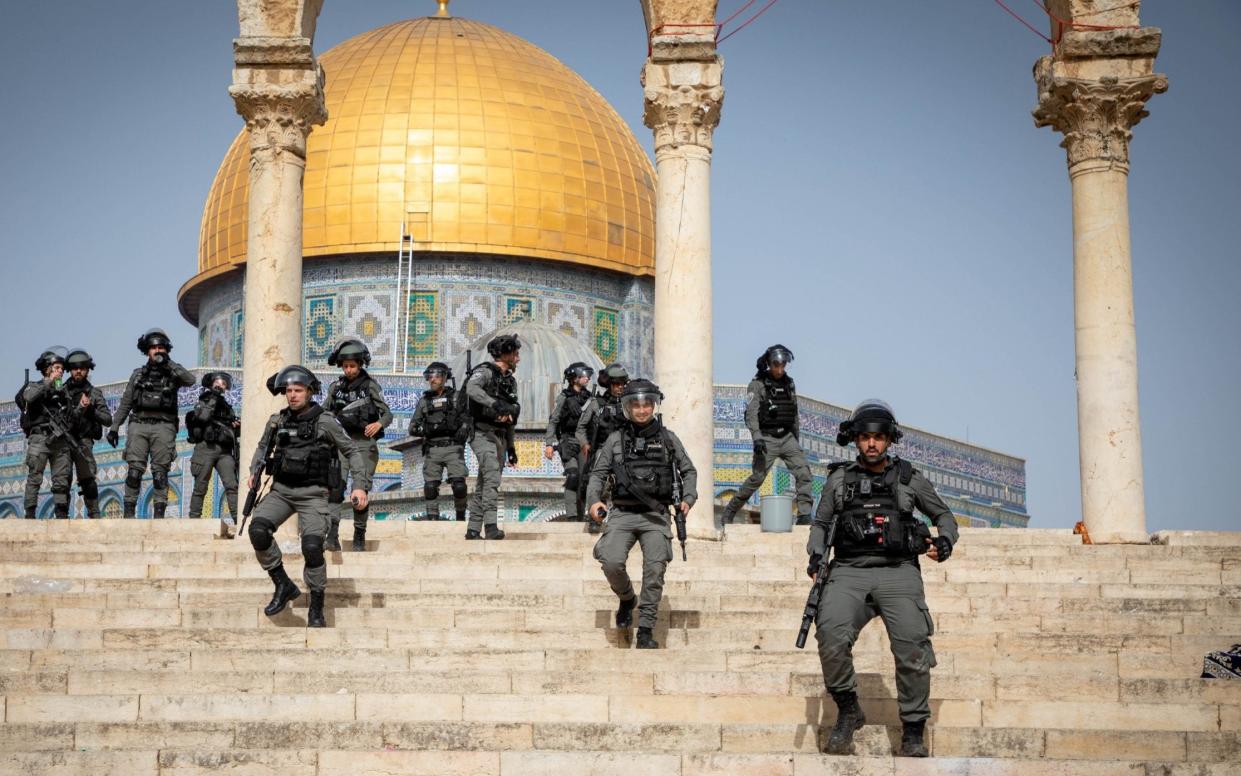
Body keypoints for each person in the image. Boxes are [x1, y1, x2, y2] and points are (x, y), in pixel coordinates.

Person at [806, 399, 959, 758]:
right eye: (864, 437)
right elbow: (821, 523)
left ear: (889, 440)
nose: (871, 444)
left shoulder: (909, 478)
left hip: (898, 572)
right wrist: (816, 556)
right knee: (829, 633)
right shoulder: (839, 480)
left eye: (878, 437)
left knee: (912, 648)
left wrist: (945, 541)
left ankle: (914, 729)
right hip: (849, 571)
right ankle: (848, 709)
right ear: (854, 440)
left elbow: (944, 515)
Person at [246, 365, 370, 628]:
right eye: (289, 391)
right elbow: (262, 447)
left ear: (310, 392)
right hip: (281, 492)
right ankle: (282, 584)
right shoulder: (277, 421)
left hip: (313, 495)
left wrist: (360, 485)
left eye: (298, 390)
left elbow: (352, 451)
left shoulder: (324, 421)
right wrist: (254, 471)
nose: (292, 395)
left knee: (312, 548)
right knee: (257, 531)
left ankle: (316, 605)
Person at [587, 378, 697, 650]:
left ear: (654, 405)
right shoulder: (615, 440)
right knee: (611, 561)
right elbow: (598, 474)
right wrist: (594, 502)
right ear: (627, 407)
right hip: (623, 513)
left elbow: (689, 471)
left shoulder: (668, 439)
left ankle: (646, 629)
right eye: (635, 405)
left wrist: (688, 498)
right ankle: (626, 598)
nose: (641, 410)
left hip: (656, 515)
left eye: (646, 404)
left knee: (654, 570)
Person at [721, 345, 814, 526]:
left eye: (783, 365)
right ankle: (730, 510)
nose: (780, 369)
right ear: (769, 364)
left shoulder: (789, 383)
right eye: (776, 365)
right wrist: (757, 438)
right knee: (757, 478)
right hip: (766, 439)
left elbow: (793, 412)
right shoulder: (757, 385)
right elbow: (751, 414)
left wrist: (796, 438)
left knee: (804, 473)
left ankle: (804, 515)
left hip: (787, 438)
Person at [107, 329, 195, 518]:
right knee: (134, 472)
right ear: (147, 351)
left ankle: (159, 517)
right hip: (139, 425)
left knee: (160, 473)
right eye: (153, 348)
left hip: (164, 426)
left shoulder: (173, 372)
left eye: (160, 347)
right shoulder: (138, 375)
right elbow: (126, 402)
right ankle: (129, 514)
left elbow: (191, 380)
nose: (157, 351)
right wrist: (114, 427)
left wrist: (169, 362)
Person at [324, 338, 392, 551]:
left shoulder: (370, 386)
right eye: (346, 366)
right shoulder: (336, 388)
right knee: (335, 489)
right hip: (341, 445)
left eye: (353, 366)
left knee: (359, 491)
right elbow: (325, 413)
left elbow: (387, 413)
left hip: (364, 444)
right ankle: (332, 535)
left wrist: (378, 424)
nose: (349, 370)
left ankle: (359, 536)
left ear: (360, 364)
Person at [463, 334, 521, 540]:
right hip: (481, 432)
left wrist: (511, 447)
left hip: (501, 436)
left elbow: (511, 416)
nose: (518, 358)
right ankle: (491, 526)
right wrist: (493, 404)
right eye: (515, 353)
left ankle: (472, 529)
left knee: (484, 481)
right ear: (505, 354)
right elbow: (471, 388)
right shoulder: (485, 372)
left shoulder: (510, 382)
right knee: (492, 477)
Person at [409, 361, 469, 521]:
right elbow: (412, 427)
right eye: (429, 377)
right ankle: (433, 518)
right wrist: (427, 429)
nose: (432, 380)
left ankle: (460, 516)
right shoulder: (424, 401)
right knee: (430, 487)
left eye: (435, 376)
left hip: (453, 447)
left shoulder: (456, 398)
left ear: (444, 378)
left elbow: (468, 418)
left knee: (459, 485)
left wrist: (464, 426)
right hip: (433, 449)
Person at [575, 363, 629, 534]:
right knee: (599, 484)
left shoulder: (630, 404)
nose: (619, 388)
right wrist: (585, 443)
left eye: (622, 384)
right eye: (616, 384)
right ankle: (595, 518)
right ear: (609, 385)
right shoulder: (596, 403)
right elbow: (580, 428)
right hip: (602, 449)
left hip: (625, 451)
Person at [19, 348, 71, 518]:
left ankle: (61, 514)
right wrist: (49, 382)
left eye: (62, 369)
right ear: (48, 368)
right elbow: (29, 397)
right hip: (40, 438)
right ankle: (30, 514)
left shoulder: (63, 390)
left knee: (61, 479)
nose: (60, 371)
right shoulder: (34, 385)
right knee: (35, 477)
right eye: (57, 368)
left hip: (59, 439)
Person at [61, 349, 112, 518]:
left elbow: (107, 419)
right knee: (62, 480)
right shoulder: (61, 392)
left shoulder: (94, 393)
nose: (78, 371)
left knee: (88, 479)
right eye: (75, 368)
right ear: (70, 369)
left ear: (87, 370)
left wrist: (90, 410)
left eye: (82, 368)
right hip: (64, 442)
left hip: (84, 442)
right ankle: (61, 516)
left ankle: (94, 515)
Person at [185, 371, 240, 524]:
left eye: (224, 383)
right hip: (206, 449)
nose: (221, 386)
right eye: (218, 383)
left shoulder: (227, 407)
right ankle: (194, 521)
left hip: (224, 451)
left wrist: (236, 427)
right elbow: (203, 417)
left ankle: (237, 519)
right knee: (201, 486)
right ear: (211, 384)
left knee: (232, 485)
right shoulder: (203, 401)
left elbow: (233, 431)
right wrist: (213, 397)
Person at [544, 362, 594, 520]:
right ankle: (572, 516)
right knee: (572, 476)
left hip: (584, 443)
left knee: (583, 480)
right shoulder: (564, 397)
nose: (587, 378)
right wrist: (549, 444)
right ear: (574, 378)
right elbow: (553, 420)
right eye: (583, 376)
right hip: (568, 440)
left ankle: (580, 515)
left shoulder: (590, 398)